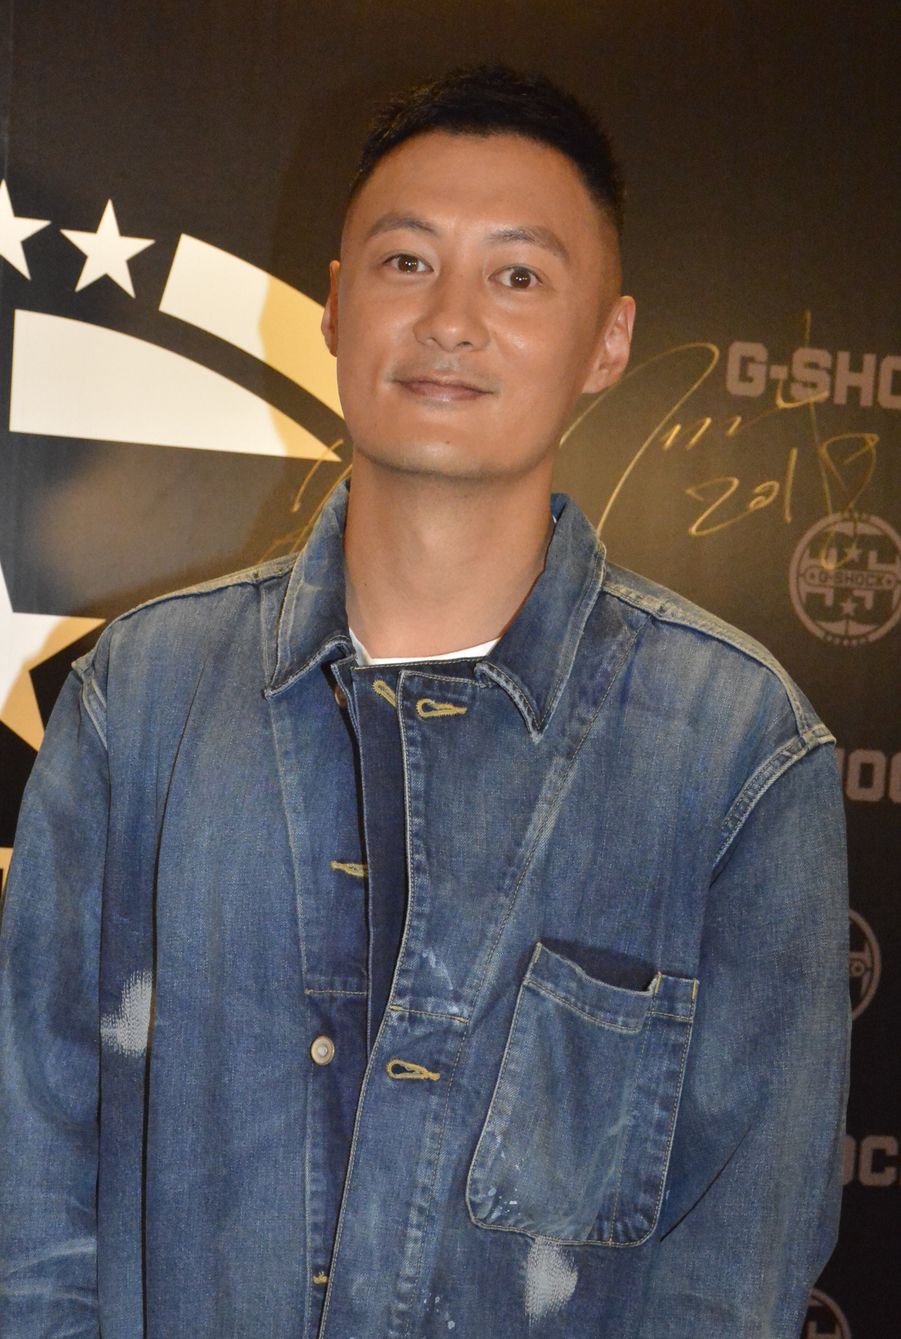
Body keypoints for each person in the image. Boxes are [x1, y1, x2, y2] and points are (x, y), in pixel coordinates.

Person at [0, 64, 850, 1339]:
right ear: (335, 306)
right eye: (406, 263)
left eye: (517, 276)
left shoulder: (735, 750)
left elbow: (735, 1267)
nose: (451, 319)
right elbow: (31, 1192)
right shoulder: (143, 701)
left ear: (608, 340)